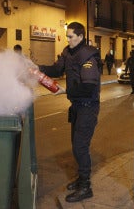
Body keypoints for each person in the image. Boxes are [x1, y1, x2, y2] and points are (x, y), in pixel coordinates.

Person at [38, 22, 101, 203]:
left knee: (80, 147)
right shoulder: (68, 52)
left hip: (88, 107)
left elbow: (88, 88)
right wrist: (38, 68)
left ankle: (85, 187)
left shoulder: (89, 56)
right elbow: (57, 69)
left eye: (71, 36)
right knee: (76, 145)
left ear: (80, 37)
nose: (68, 39)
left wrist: (65, 91)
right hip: (76, 106)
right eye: (67, 36)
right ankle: (81, 179)